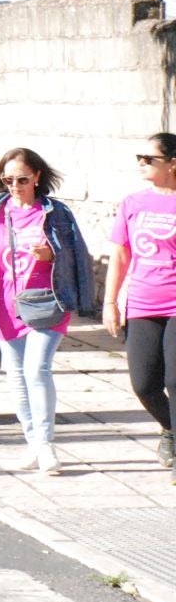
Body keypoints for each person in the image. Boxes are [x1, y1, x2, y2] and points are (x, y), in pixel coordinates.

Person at [0, 147, 95, 476]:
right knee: (16, 375)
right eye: (8, 180)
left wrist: (51, 255)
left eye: (22, 179)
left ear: (37, 177)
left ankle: (46, 445)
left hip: (48, 301)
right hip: (5, 303)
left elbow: (77, 255)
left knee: (37, 370)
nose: (14, 186)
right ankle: (33, 442)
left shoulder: (55, 212)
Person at [104, 133, 176, 481]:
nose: (141, 164)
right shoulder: (133, 203)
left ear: (173, 164)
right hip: (143, 303)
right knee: (144, 383)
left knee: (175, 379)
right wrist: (110, 302)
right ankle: (169, 428)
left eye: (149, 159)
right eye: (140, 158)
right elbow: (120, 255)